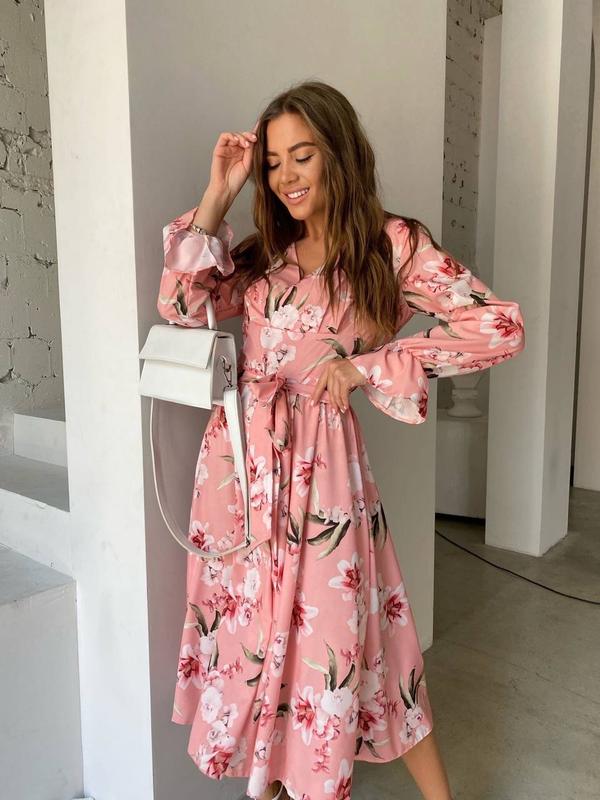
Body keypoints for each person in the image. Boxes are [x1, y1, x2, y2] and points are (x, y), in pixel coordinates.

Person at [156, 80, 525, 800]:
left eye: (303, 156)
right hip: (241, 471)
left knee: (346, 637)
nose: (286, 177)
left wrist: (370, 366)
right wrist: (219, 192)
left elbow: (498, 326)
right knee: (256, 643)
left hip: (323, 475)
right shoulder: (267, 251)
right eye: (273, 163)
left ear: (339, 152)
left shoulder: (393, 245)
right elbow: (179, 304)